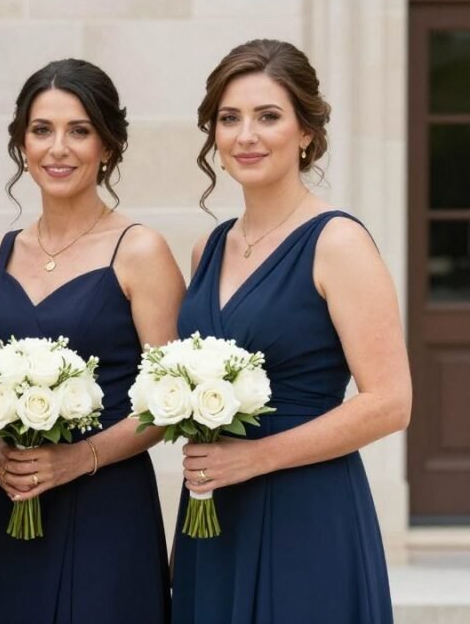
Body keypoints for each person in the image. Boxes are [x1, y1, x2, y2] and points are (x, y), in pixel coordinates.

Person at [173, 39, 411, 624]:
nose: (245, 136)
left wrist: (256, 458)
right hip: (214, 513)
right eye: (229, 118)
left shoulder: (338, 243)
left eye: (268, 117)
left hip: (307, 510)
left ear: (305, 132)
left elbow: (390, 403)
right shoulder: (209, 248)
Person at [0, 58, 182, 623]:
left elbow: (169, 403)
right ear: (22, 143)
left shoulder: (141, 251)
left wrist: (77, 459)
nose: (58, 148)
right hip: (10, 507)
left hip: (108, 509)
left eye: (79, 131)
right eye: (42, 130)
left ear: (107, 146)